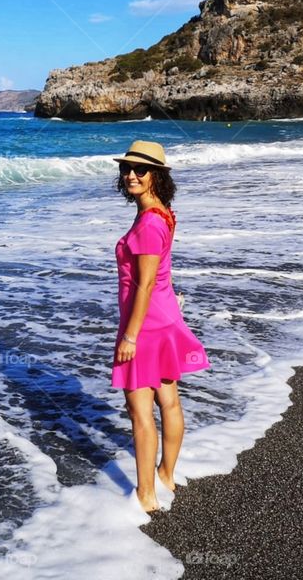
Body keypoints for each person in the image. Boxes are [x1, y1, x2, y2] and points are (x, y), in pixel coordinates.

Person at [111, 140, 210, 515]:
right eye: (127, 169)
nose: (131, 174)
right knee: (168, 400)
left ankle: (147, 495)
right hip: (164, 317)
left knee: (140, 413)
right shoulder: (162, 213)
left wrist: (130, 336)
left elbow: (145, 284)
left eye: (140, 169)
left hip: (146, 326)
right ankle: (166, 474)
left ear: (157, 175)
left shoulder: (150, 221)